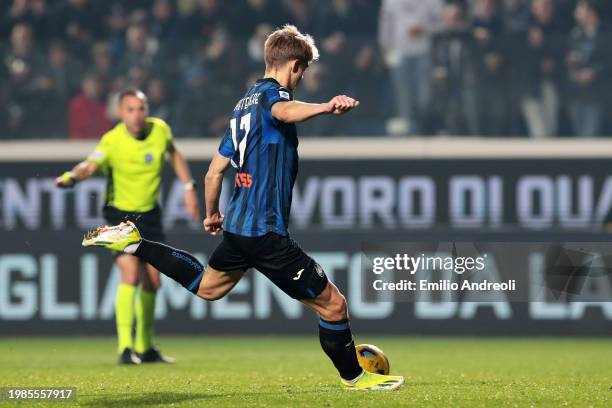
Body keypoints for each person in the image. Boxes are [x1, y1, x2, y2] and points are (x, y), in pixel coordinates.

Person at [82, 25, 404, 390]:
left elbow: (214, 173)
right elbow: (284, 110)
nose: (302, 78)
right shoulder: (272, 97)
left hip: (237, 227)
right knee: (333, 305)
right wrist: (327, 106)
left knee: (207, 287)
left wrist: (212, 214)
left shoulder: (241, 106)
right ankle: (355, 377)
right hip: (265, 232)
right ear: (294, 65)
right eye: (304, 71)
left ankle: (135, 242)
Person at [55, 89, 200, 364]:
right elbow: (89, 165)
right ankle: (124, 348)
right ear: (120, 113)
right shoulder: (112, 141)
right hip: (120, 215)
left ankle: (145, 348)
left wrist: (189, 187)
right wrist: (72, 177)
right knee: (130, 274)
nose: (136, 115)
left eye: (141, 109)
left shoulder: (160, 131)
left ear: (147, 110)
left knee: (153, 282)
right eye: (130, 109)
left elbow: (174, 154)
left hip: (150, 217)